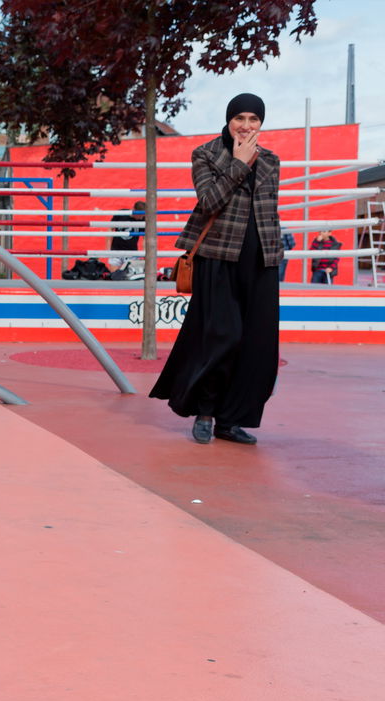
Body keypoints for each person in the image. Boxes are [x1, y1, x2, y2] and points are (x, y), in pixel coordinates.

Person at [150, 93, 282, 446]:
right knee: (222, 337)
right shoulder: (206, 154)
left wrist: (275, 255)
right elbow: (209, 202)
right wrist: (238, 164)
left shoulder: (271, 160)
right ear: (228, 120)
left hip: (261, 262)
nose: (246, 126)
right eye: (239, 118)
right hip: (218, 259)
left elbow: (269, 212)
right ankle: (205, 411)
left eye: (254, 119)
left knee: (256, 345)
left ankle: (230, 419)